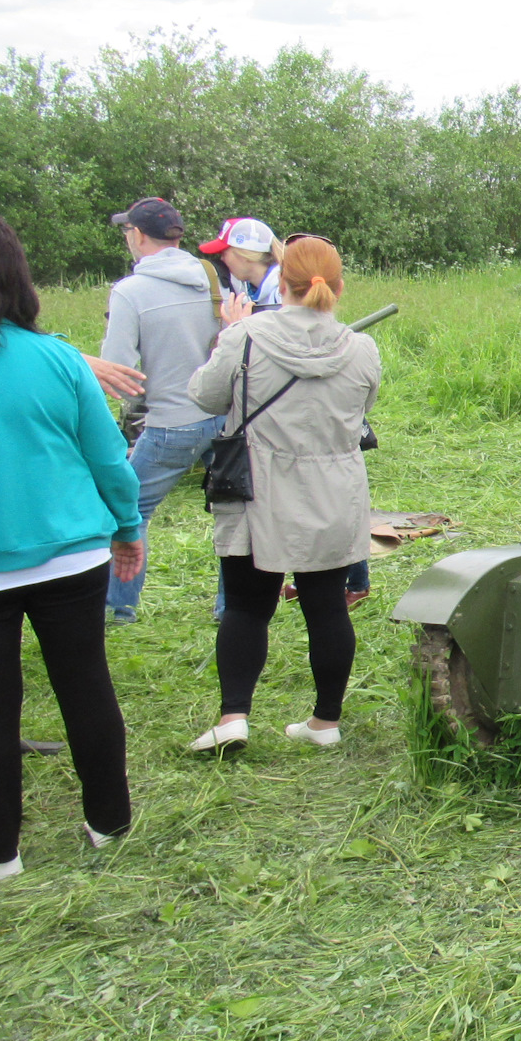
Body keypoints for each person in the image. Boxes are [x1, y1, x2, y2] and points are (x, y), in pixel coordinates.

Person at [0, 210, 142, 881]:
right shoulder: (59, 358)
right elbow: (110, 459)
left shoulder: (56, 355)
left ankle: (1, 853)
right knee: (85, 683)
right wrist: (128, 528)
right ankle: (108, 821)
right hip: (72, 555)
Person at [184, 235, 381, 754]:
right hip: (332, 492)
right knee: (327, 608)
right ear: (338, 287)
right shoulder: (361, 348)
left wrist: (227, 334)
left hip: (258, 489)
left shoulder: (244, 336)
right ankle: (325, 722)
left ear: (282, 280)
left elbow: (204, 395)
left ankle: (233, 717)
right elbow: (364, 407)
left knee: (247, 608)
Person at [96, 197, 226, 625]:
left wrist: (132, 408)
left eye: (127, 231)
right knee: (234, 509)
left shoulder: (129, 291)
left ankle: (119, 606)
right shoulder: (209, 276)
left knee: (126, 512)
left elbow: (118, 369)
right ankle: (231, 607)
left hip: (170, 423)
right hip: (222, 416)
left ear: (136, 235)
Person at [200, 217, 285, 311]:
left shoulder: (285, 293)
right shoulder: (251, 292)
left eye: (224, 253)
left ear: (245, 255)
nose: (222, 259)